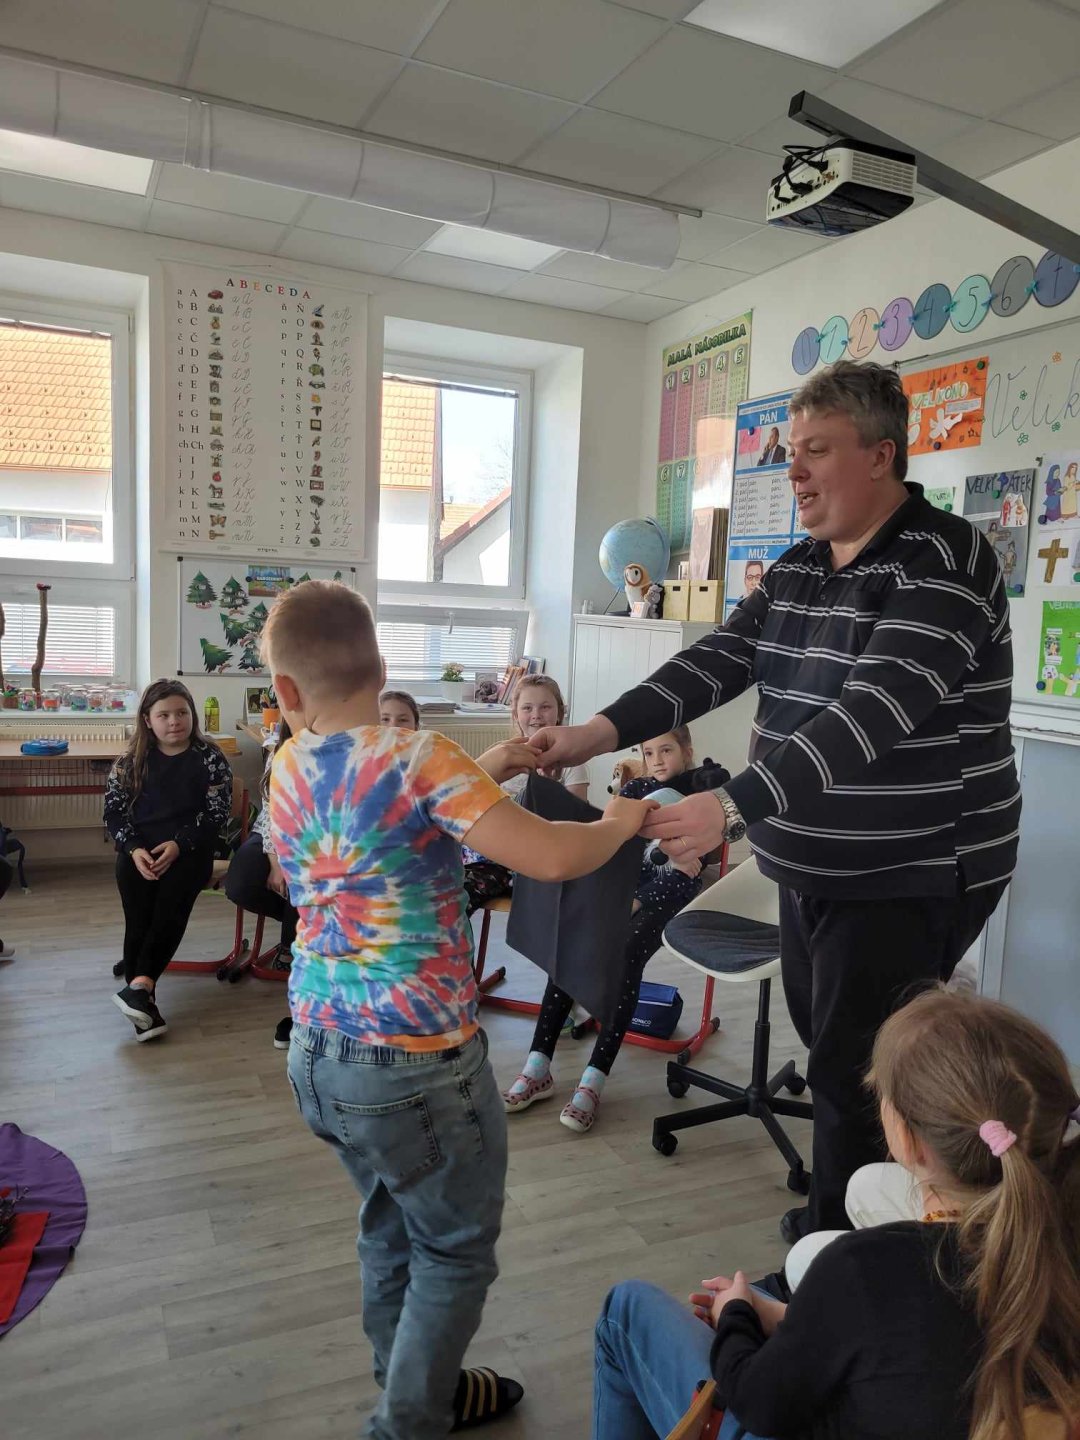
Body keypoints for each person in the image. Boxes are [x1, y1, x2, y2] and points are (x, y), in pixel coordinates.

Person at [529, 360, 1020, 1240]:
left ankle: (838, 1263)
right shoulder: (801, 567)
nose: (793, 471)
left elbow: (872, 713)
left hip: (911, 867)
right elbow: (712, 664)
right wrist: (593, 733)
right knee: (833, 1055)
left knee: (862, 1076)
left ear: (881, 455)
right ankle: (849, 1217)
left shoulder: (946, 560)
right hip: (809, 861)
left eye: (816, 451)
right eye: (791, 451)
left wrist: (733, 806)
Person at [261, 580, 654, 1440]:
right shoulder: (421, 757)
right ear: (381, 667)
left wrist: (496, 768)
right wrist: (620, 822)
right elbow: (552, 857)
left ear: (285, 691)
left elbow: (350, 834)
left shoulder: (288, 765)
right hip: (415, 1065)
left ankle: (418, 1388)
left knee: (390, 1227)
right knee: (452, 1250)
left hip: (318, 1054)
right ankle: (406, 1421)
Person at [592, 988, 1080, 1440]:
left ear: (909, 1141)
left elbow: (760, 1402)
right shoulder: (1057, 1242)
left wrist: (736, 1317)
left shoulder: (865, 1269)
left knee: (624, 1310)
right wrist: (793, 1320)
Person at [502, 726, 709, 1135]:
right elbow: (611, 844)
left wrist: (638, 899)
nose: (658, 760)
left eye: (667, 750)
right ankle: (537, 1065)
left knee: (623, 956)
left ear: (686, 750)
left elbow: (690, 868)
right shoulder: (635, 791)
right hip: (626, 887)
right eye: (649, 752)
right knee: (574, 943)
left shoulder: (700, 793)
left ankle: (593, 1079)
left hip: (669, 893)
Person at [105, 679, 231, 1041]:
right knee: (138, 920)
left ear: (192, 715)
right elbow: (113, 814)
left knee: (168, 913)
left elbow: (217, 813)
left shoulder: (210, 757)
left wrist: (179, 844)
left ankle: (139, 990)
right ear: (147, 720)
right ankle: (143, 1000)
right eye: (164, 715)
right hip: (139, 852)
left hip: (190, 851)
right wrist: (134, 849)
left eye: (181, 713)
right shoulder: (131, 761)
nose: (174, 721)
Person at [462, 675, 589, 917]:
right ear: (515, 714)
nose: (536, 715)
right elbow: (471, 803)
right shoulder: (501, 755)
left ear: (559, 713)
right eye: (527, 708)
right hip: (490, 858)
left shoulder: (572, 762)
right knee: (450, 895)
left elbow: (577, 821)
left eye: (545, 707)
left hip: (539, 860)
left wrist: (548, 787)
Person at [224, 719, 302, 1050]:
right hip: (272, 834)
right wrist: (274, 861)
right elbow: (271, 811)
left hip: (309, 841)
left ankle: (293, 942)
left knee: (301, 877)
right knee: (240, 882)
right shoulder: (280, 749)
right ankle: (296, 923)